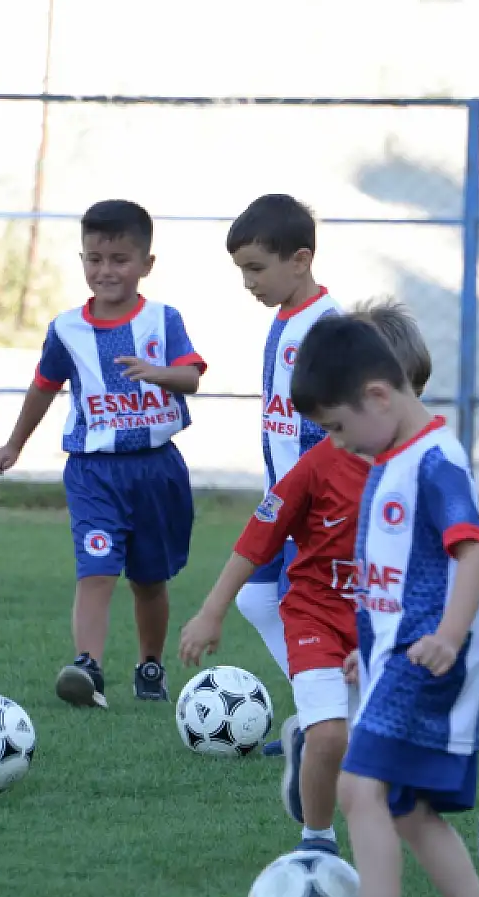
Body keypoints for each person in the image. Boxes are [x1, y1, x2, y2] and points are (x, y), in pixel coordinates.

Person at [286, 315, 479, 897]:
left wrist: (446, 636)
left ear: (379, 397)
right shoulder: (393, 458)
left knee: (362, 788)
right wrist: (373, 647)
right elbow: (394, 575)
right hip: (401, 655)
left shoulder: (434, 461)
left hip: (429, 657)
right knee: (406, 807)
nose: (337, 443)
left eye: (337, 426)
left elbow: (475, 554)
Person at [178, 301, 432, 857]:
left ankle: (310, 757)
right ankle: (316, 843)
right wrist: (212, 610)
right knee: (332, 735)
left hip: (379, 632)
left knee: (374, 750)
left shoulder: (425, 470)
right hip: (315, 613)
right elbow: (258, 539)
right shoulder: (318, 465)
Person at [0, 200, 206, 709]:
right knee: (96, 568)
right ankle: (87, 665)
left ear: (146, 264)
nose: (105, 271)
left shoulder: (162, 320)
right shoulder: (66, 329)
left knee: (149, 580)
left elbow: (191, 377)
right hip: (92, 470)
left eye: (120, 259)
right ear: (83, 259)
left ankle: (149, 663)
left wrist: (159, 374)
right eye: (95, 258)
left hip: (156, 470)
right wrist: (14, 444)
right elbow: (44, 385)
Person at [226, 193, 344, 686]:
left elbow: (343, 425)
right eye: (242, 271)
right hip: (283, 498)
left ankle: (332, 718)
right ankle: (322, 712)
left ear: (300, 261)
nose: (249, 282)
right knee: (254, 596)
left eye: (256, 268)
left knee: (301, 608)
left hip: (317, 506)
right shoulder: (288, 317)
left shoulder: (328, 328)